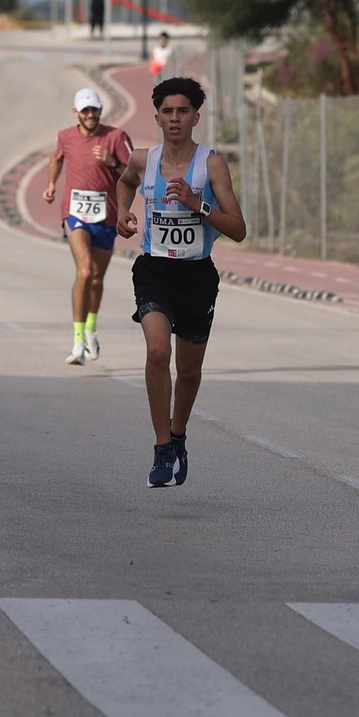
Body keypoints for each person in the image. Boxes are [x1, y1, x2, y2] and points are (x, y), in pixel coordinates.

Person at [115, 77, 246, 488]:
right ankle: (161, 447)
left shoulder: (212, 165)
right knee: (157, 351)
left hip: (196, 275)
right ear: (156, 117)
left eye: (183, 111)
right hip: (154, 269)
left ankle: (178, 433)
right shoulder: (142, 159)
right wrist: (122, 213)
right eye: (167, 111)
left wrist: (198, 203)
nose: (175, 118)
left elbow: (238, 229)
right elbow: (124, 183)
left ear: (195, 117)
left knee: (188, 372)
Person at [43, 88, 134, 365]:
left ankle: (91, 329)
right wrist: (50, 184)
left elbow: (134, 174)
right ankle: (77, 339)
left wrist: (113, 162)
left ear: (100, 111)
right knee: (84, 271)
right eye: (85, 111)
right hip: (75, 214)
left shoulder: (116, 137)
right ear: (76, 114)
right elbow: (56, 158)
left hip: (106, 216)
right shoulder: (65, 137)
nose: (91, 115)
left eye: (94, 110)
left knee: (96, 278)